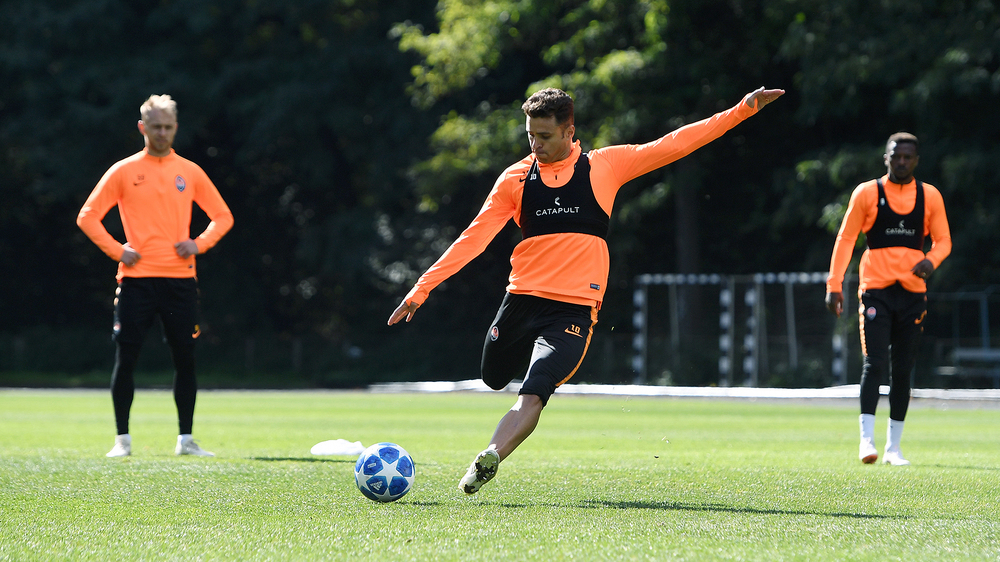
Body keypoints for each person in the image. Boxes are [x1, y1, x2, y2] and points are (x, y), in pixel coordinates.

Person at [388, 86, 785, 493]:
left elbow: (674, 143)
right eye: (530, 136)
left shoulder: (604, 166)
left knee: (534, 391)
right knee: (493, 377)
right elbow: (473, 239)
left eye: (545, 136)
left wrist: (742, 110)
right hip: (521, 301)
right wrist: (421, 289)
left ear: (569, 131)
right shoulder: (515, 179)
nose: (535, 145)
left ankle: (489, 456)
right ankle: (514, 380)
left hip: (573, 311)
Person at [77, 95, 234, 458]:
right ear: (142, 127)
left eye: (168, 127)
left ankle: (186, 440)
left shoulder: (190, 171)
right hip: (136, 281)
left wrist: (198, 244)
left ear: (176, 128)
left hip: (180, 281)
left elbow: (223, 216)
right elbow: (87, 216)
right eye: (156, 127)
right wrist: (118, 251)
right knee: (126, 357)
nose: (162, 133)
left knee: (185, 358)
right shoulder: (124, 171)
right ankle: (122, 441)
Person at [825, 132, 951, 466]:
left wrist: (931, 261)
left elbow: (943, 241)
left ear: (916, 160)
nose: (902, 162)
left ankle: (894, 448)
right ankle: (866, 441)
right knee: (875, 362)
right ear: (886, 158)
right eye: (896, 156)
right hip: (876, 289)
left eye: (908, 157)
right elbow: (846, 238)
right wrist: (834, 284)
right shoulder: (867, 193)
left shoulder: (929, 196)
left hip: (912, 292)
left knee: (903, 368)